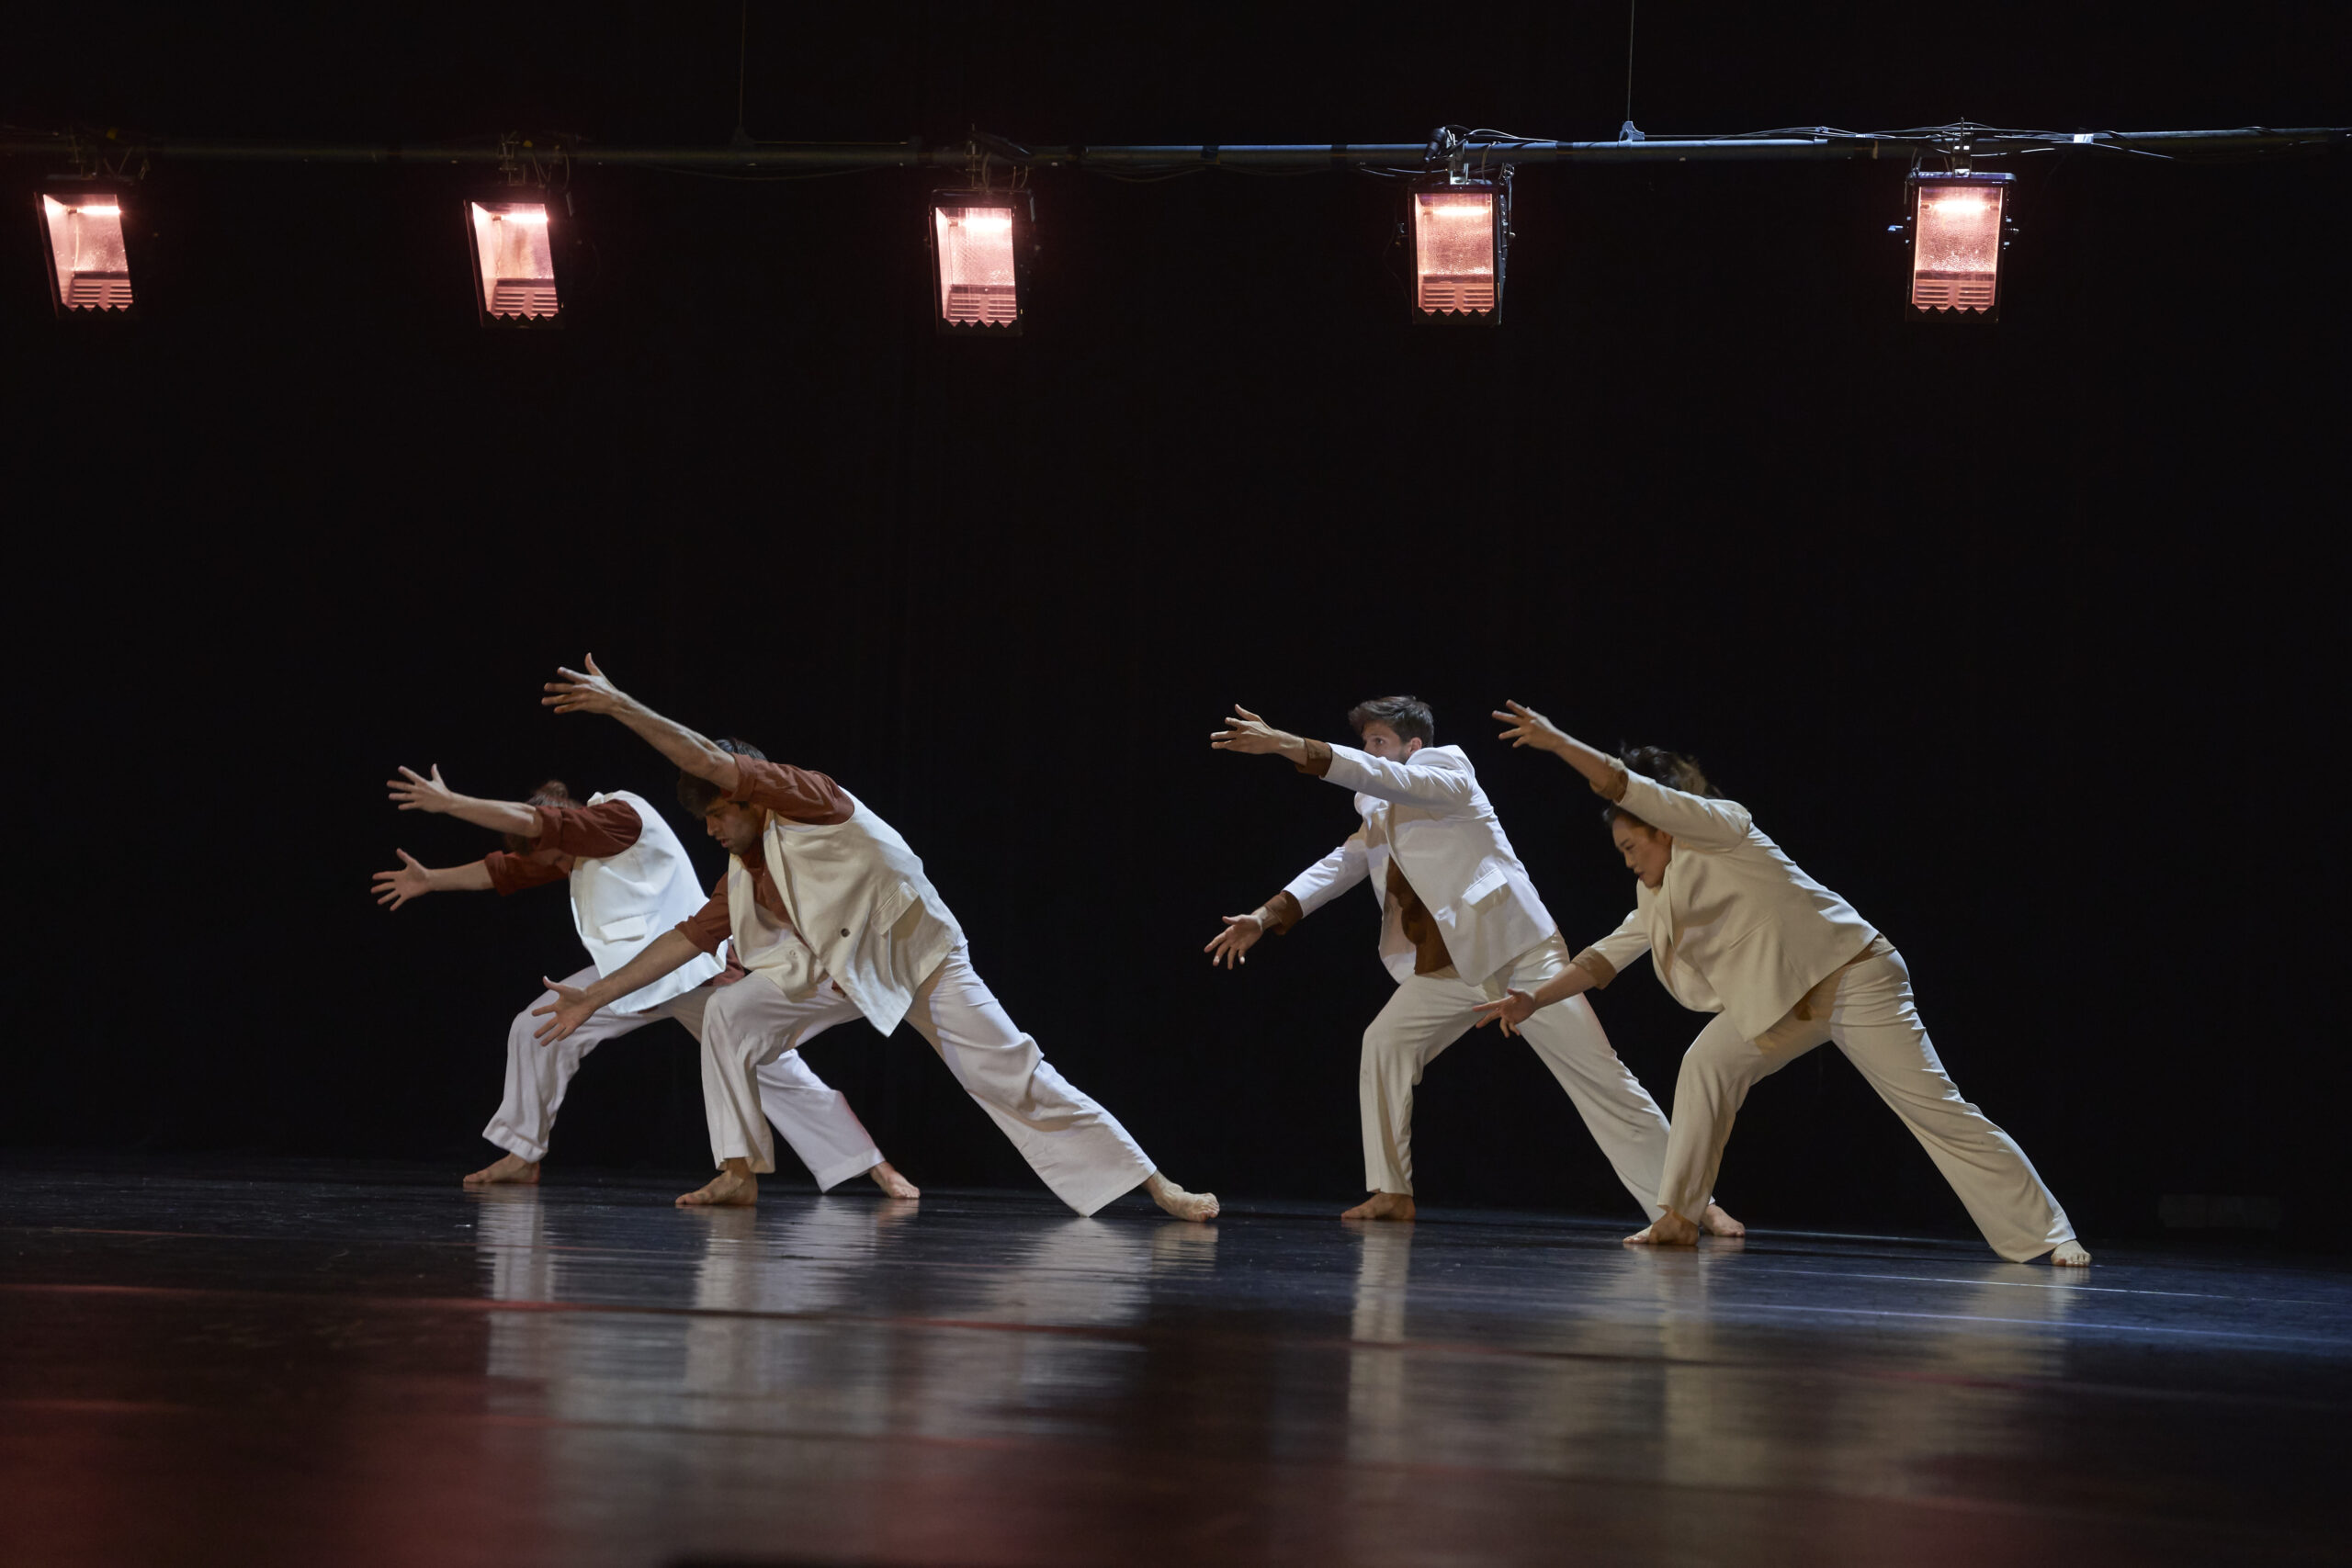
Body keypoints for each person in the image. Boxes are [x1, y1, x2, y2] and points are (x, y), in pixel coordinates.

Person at [526, 656, 1218, 1220]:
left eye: (716, 812)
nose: (708, 828)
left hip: (917, 958)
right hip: (836, 973)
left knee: (1008, 1070)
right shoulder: (742, 871)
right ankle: (738, 1169)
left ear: (750, 794)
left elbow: (711, 759)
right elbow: (684, 939)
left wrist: (620, 705)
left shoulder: (807, 796)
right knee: (729, 1014)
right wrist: (598, 997)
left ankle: (1152, 1181)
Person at [1474, 702, 2089, 1266]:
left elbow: (1624, 785)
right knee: (1707, 1062)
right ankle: (1679, 1216)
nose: (1629, 859)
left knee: (1935, 1108)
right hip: (1781, 1003)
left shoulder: (1719, 827)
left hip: (1854, 976)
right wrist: (1534, 997)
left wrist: (1559, 745)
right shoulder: (1655, 896)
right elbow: (1602, 958)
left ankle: (2050, 1232)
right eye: (1622, 851)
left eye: (1633, 843)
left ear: (1662, 825)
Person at [1206, 697, 1739, 1234]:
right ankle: (1391, 1190)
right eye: (1365, 742)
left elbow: (1384, 779)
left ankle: (1692, 1204)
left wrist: (1289, 745)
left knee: (1601, 1079)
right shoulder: (1378, 810)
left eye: (1379, 742)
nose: (1369, 751)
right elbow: (1342, 863)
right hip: (1449, 969)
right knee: (1385, 1042)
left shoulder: (1446, 768)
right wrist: (1266, 915)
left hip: (1518, 953)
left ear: (1414, 747)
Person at [373, 765, 916, 1198]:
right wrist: (430, 880)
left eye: (558, 850)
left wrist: (454, 805)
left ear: (568, 823)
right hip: (627, 980)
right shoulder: (571, 850)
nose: (559, 864)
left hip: (690, 971)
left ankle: (871, 1166)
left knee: (771, 1070)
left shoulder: (617, 818)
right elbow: (505, 869)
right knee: (533, 1028)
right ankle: (522, 1153)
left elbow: (544, 832)